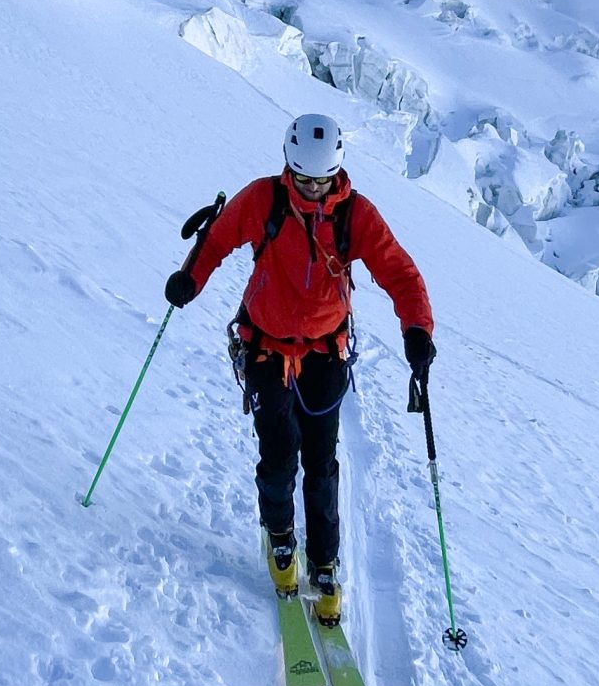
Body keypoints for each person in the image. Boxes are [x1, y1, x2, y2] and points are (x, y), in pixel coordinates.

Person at [164, 112, 435, 624]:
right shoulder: (264, 200)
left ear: (337, 172)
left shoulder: (356, 216)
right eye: (305, 179)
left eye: (322, 180)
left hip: (324, 353)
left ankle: (326, 561)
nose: (313, 190)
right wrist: (190, 280)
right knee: (278, 450)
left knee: (321, 461)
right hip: (264, 346)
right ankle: (282, 538)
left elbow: (399, 271)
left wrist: (417, 329)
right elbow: (218, 238)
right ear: (289, 167)